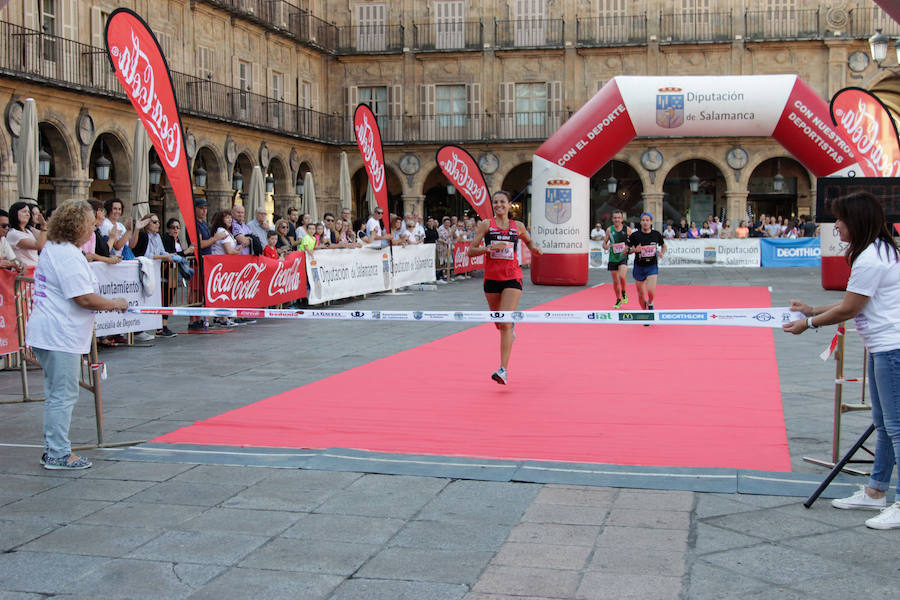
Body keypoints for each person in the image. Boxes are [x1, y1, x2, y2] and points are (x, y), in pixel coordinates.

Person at [784, 191, 900, 529]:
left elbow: (850, 308)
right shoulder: (879, 251)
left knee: (894, 428)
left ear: (857, 222)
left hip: (890, 350)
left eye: (840, 219)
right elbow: (853, 301)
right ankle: (876, 491)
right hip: (882, 348)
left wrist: (809, 323)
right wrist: (811, 309)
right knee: (883, 425)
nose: (836, 225)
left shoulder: (870, 259)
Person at [26, 199, 129, 469]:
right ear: (78, 227)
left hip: (53, 332)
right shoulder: (66, 254)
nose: (93, 231)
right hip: (59, 335)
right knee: (63, 395)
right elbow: (82, 298)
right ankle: (58, 453)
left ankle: (54, 448)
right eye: (91, 226)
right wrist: (115, 304)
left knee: (56, 394)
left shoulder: (56, 248)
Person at [467, 190, 543, 385]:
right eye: (496, 202)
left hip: (512, 277)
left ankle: (503, 370)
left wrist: (534, 248)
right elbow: (470, 251)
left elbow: (528, 240)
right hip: (491, 279)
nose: (499, 205)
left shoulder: (517, 226)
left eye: (502, 201)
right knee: (500, 324)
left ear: (510, 204)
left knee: (506, 321)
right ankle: (509, 328)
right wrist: (488, 248)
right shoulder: (486, 225)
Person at [626, 212, 666, 317]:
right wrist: (635, 249)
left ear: (651, 222)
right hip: (639, 267)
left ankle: (651, 302)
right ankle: (645, 314)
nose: (645, 222)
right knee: (641, 295)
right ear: (641, 222)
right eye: (643, 220)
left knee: (651, 291)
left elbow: (663, 245)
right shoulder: (635, 235)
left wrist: (662, 252)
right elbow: (625, 250)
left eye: (647, 220)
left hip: (652, 266)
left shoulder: (656, 234)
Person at [602, 209, 630, 308]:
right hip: (613, 258)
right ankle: (618, 299)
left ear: (622, 219)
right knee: (615, 281)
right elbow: (604, 243)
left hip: (623, 257)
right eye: (615, 218)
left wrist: (628, 247)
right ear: (612, 219)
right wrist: (606, 246)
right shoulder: (609, 230)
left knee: (622, 276)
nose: (617, 220)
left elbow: (632, 241)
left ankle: (624, 292)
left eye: (618, 218)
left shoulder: (627, 229)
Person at [7, 201, 47, 268]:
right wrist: (43, 227)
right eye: (24, 211)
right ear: (15, 213)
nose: (27, 214)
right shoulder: (13, 233)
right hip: (25, 271)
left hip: (35, 268)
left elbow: (46, 241)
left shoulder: (28, 231)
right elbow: (38, 245)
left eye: (28, 212)